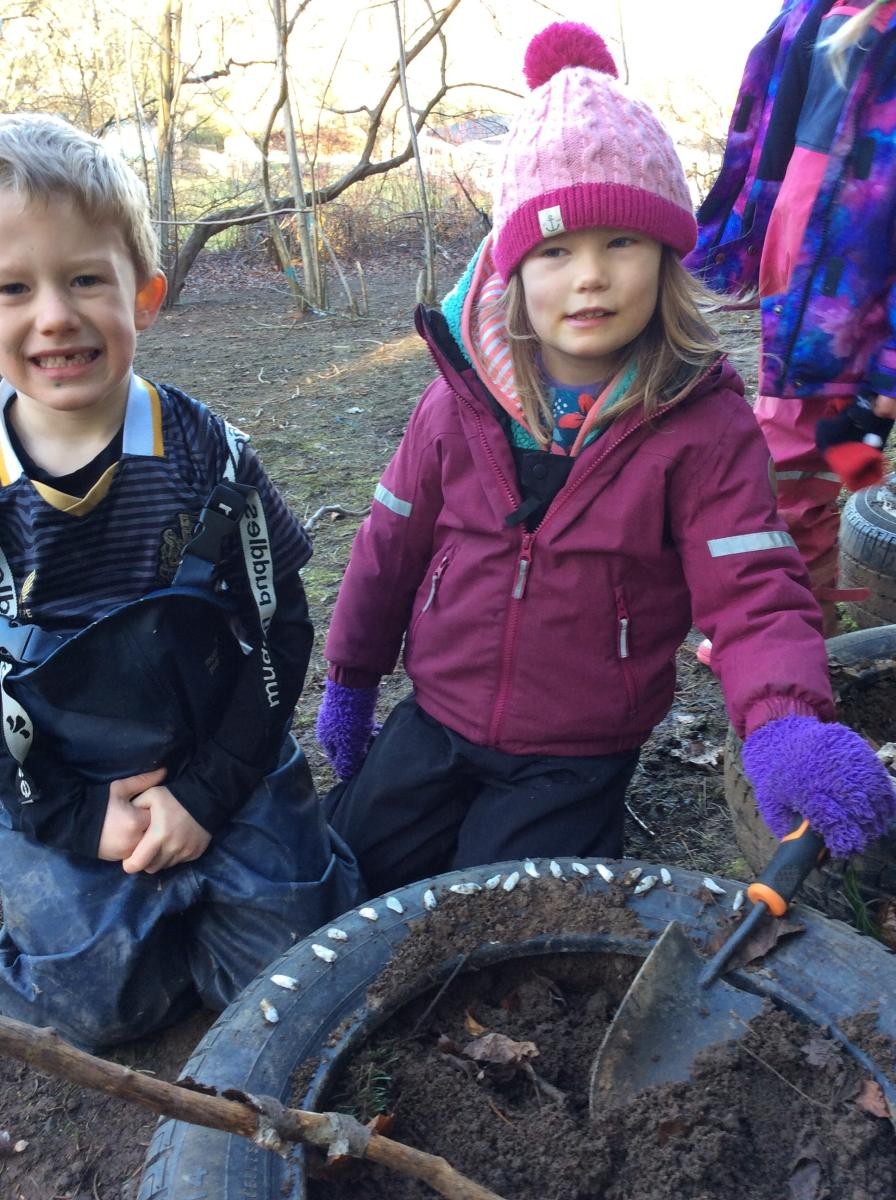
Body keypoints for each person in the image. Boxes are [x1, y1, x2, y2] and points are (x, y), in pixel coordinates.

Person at [314, 22, 896, 899]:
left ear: (666, 258)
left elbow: (754, 586)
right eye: (555, 249)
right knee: (344, 877)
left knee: (504, 911)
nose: (589, 276)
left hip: (576, 746)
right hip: (435, 716)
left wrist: (783, 724)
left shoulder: (702, 424)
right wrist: (353, 680)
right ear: (513, 269)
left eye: (621, 242)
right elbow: (387, 547)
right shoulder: (455, 403)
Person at [0, 113, 362, 1051]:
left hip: (219, 745)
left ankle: (212, 892)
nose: (53, 316)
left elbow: (282, 631)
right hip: (55, 773)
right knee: (92, 1009)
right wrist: (76, 818)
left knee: (305, 978)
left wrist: (206, 792)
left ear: (146, 296)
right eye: (12, 288)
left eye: (86, 279)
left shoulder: (208, 453)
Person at [687, 0, 896, 643]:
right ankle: (814, 629)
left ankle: (788, 652)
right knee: (817, 475)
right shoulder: (815, 7)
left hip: (850, 309)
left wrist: (888, 381)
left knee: (791, 484)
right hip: (799, 284)